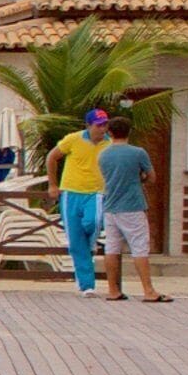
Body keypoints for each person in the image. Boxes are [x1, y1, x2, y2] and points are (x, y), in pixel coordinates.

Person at [42, 109, 114, 293]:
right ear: (88, 126)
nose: (102, 128)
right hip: (71, 193)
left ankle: (91, 244)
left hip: (97, 193)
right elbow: (52, 157)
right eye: (99, 125)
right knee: (75, 240)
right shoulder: (73, 139)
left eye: (105, 124)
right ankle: (86, 284)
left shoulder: (110, 144)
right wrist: (52, 184)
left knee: (94, 221)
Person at [96, 119, 168, 302]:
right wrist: (139, 180)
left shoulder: (103, 155)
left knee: (111, 248)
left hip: (110, 206)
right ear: (129, 132)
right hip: (133, 205)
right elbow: (151, 177)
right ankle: (148, 290)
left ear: (110, 133)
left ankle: (113, 289)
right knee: (139, 248)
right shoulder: (138, 153)